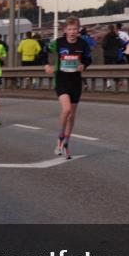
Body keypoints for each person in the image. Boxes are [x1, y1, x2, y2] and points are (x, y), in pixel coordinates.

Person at [45, 18, 91, 155]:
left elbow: (88, 58)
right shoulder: (58, 42)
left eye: (75, 29)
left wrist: (84, 65)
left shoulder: (83, 44)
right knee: (66, 110)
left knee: (72, 114)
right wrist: (47, 65)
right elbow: (44, 51)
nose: (72, 32)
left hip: (75, 82)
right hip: (61, 80)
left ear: (78, 30)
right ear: (65, 30)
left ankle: (66, 143)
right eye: (69, 29)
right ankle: (60, 137)